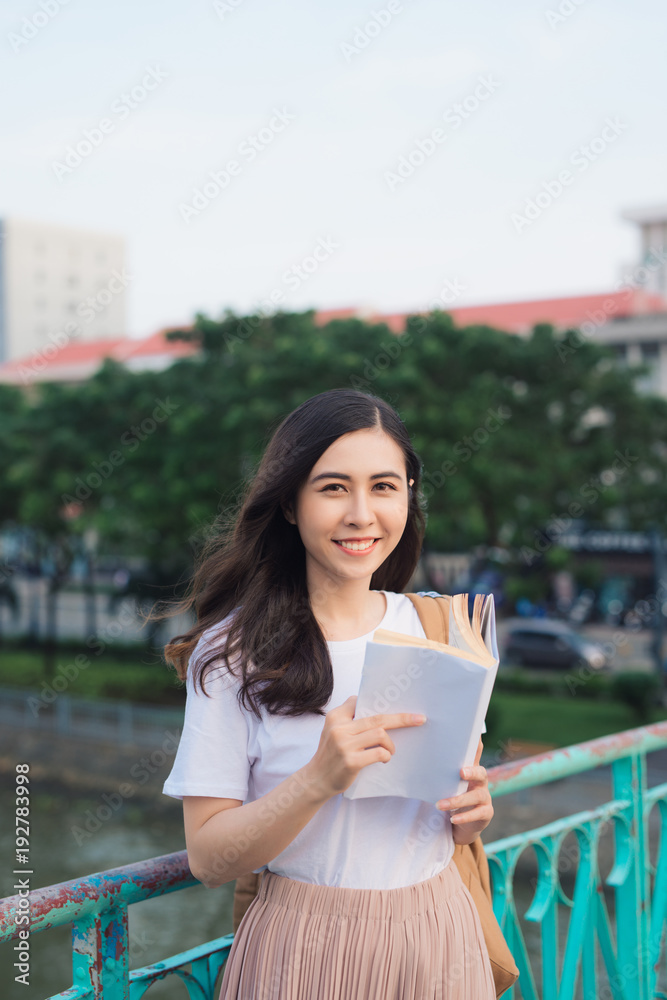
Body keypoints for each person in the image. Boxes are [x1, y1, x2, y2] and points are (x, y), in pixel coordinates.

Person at [162, 388, 495, 999]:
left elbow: (444, 807)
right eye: (334, 487)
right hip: (304, 949)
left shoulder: (442, 628)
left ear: (410, 495)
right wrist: (319, 777)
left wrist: (472, 816)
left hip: (442, 936)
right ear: (290, 503)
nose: (362, 514)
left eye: (385, 486)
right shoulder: (232, 654)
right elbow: (208, 858)